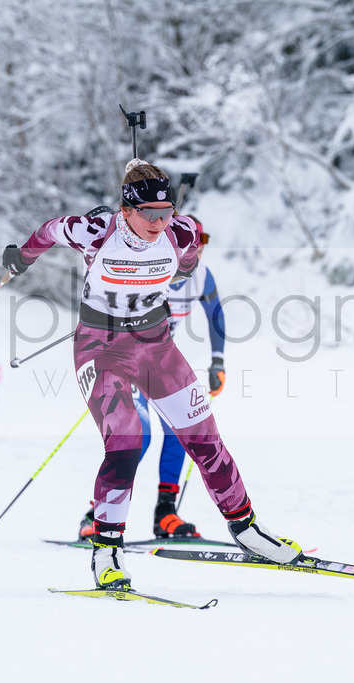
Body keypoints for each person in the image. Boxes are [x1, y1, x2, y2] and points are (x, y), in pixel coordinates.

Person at [2, 159, 301, 590]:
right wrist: (21, 259)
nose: (160, 223)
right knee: (125, 442)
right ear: (126, 210)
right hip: (100, 349)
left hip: (156, 347)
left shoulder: (180, 233)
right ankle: (106, 553)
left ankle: (248, 532)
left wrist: (178, 270)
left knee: (205, 440)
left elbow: (187, 264)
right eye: (150, 215)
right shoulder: (95, 231)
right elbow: (49, 230)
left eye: (167, 212)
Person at [75, 216, 225, 541]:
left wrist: (218, 361)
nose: (198, 248)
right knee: (136, 433)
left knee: (178, 431)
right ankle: (96, 516)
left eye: (203, 241)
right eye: (194, 241)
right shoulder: (151, 266)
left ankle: (166, 514)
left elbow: (216, 315)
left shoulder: (200, 276)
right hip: (121, 358)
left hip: (157, 361)